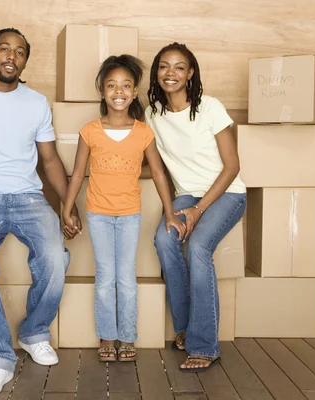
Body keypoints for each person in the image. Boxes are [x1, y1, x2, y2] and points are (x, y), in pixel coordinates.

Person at [0, 28, 81, 397]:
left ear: (24, 61)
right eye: (4, 49)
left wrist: (68, 205)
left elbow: (50, 159)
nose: (11, 56)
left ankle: (34, 331)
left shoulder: (36, 103)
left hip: (28, 197)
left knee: (55, 256)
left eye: (19, 52)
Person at [62, 55, 185, 363]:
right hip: (98, 214)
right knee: (105, 276)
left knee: (126, 277)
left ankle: (127, 335)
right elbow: (78, 173)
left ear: (134, 92)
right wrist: (67, 208)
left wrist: (170, 213)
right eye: (112, 85)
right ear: (102, 92)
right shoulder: (89, 131)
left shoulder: (143, 132)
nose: (119, 91)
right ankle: (106, 336)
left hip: (130, 214)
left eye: (126, 86)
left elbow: (157, 172)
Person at [145, 43, 246, 372]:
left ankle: (205, 345)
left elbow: (232, 166)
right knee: (163, 240)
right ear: (156, 73)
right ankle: (186, 329)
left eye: (178, 67)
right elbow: (154, 165)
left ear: (190, 74)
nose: (170, 73)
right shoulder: (152, 114)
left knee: (199, 247)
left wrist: (199, 209)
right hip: (187, 195)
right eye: (163, 66)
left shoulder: (210, 108)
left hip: (227, 193)